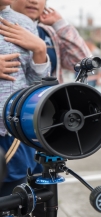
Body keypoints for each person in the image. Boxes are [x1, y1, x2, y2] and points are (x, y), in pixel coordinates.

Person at [0, 0, 50, 197]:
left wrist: (40, 51)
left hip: (13, 138)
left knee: (13, 204)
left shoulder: (24, 23)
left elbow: (37, 87)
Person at [10, 0, 91, 83]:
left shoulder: (49, 33)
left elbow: (83, 62)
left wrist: (60, 25)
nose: (33, 1)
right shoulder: (3, 30)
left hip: (51, 95)